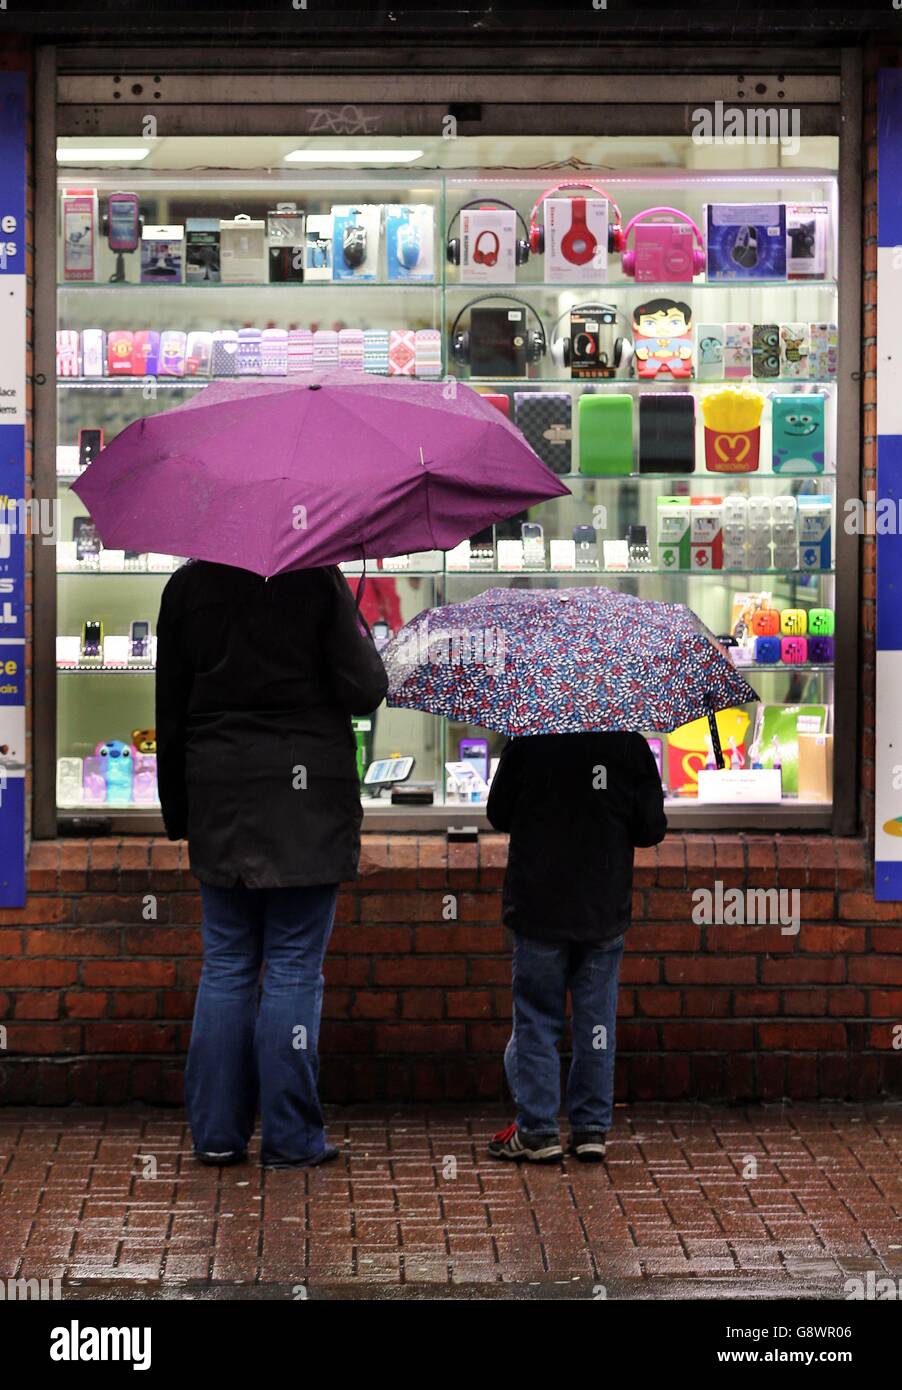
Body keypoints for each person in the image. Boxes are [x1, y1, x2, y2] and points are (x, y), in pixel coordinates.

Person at [155, 561, 387, 1170]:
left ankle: (217, 1135)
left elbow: (171, 708)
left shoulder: (186, 587)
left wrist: (178, 811)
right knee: (292, 968)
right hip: (304, 798)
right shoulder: (316, 579)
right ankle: (291, 1139)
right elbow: (365, 689)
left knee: (227, 965)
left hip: (220, 794)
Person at [485, 731, 667, 1164]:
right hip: (602, 908)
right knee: (596, 1022)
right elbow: (651, 828)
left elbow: (499, 814)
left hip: (538, 906)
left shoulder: (528, 742)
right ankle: (589, 1130)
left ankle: (537, 1130)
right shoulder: (629, 747)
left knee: (536, 1021)